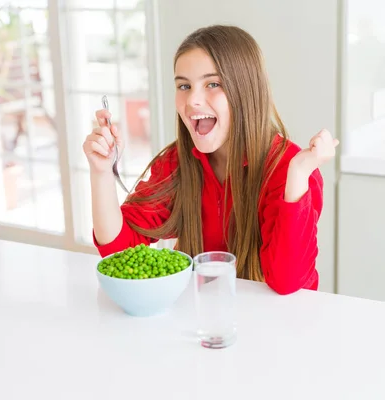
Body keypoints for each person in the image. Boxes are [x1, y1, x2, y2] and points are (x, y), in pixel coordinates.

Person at [83, 25, 338, 295]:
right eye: (184, 85)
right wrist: (101, 172)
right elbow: (118, 249)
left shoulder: (289, 169)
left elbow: (287, 282)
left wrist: (298, 174)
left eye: (213, 84)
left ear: (245, 91)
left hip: (278, 326)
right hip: (204, 317)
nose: (192, 100)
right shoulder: (176, 163)